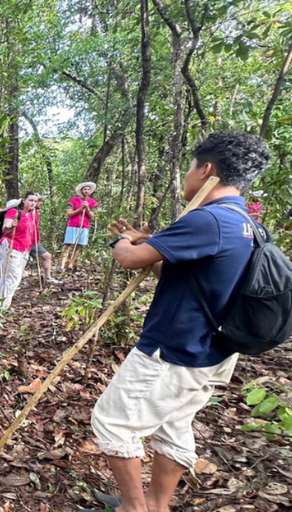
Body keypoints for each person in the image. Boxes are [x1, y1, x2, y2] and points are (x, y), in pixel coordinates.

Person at [87, 132, 271, 512]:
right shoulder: (248, 224)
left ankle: (133, 508)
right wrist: (148, 242)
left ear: (206, 170)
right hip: (212, 351)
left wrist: (122, 241)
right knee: (173, 424)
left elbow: (130, 260)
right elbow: (186, 277)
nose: (186, 176)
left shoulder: (208, 219)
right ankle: (156, 504)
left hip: (174, 349)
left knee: (114, 422)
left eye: (190, 167)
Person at [0, 192, 38, 309]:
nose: (33, 203)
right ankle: (1, 305)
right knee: (13, 277)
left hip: (24, 248)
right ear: (23, 200)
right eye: (31, 200)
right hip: (11, 246)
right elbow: (6, 226)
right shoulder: (14, 212)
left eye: (35, 201)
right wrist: (10, 226)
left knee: (8, 276)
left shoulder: (30, 215)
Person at [60, 182, 98, 271]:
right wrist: (80, 209)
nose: (86, 191)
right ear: (81, 190)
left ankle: (71, 264)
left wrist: (87, 208)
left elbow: (92, 216)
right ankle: (62, 265)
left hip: (84, 226)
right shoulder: (74, 200)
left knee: (78, 246)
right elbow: (69, 213)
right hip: (72, 225)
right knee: (67, 245)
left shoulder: (93, 202)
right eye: (85, 189)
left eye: (88, 189)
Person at [28, 194, 61, 285]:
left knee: (47, 256)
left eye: (38, 201)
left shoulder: (36, 212)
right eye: (39, 201)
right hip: (27, 241)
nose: (40, 203)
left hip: (33, 241)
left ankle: (48, 278)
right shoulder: (27, 212)